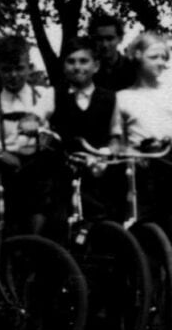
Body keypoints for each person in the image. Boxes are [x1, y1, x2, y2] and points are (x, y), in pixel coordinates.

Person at [115, 31, 172, 238]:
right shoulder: (123, 97)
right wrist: (132, 152)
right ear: (137, 55)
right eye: (154, 57)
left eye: (164, 57)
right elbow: (118, 141)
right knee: (145, 225)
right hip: (142, 168)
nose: (161, 62)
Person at [0, 36, 57, 236]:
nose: (13, 75)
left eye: (19, 68)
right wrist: (1, 155)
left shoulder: (43, 97)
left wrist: (47, 137)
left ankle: (35, 250)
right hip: (5, 171)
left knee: (45, 212)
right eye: (6, 69)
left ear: (29, 67)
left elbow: (55, 132)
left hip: (39, 172)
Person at [50, 36, 123, 220]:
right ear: (64, 66)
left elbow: (116, 136)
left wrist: (108, 151)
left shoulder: (110, 98)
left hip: (98, 167)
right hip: (63, 167)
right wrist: (32, 122)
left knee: (105, 213)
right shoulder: (53, 94)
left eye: (84, 61)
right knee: (55, 214)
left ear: (96, 66)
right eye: (71, 61)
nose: (77, 67)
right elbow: (36, 116)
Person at [89, 12, 138, 92]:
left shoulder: (133, 69)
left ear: (120, 39)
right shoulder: (88, 70)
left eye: (109, 39)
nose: (104, 44)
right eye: (99, 39)